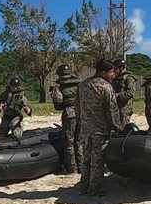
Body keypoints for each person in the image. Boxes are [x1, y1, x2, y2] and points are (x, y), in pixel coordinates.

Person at [76, 60, 119, 196]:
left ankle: (83, 187)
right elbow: (112, 111)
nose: (113, 75)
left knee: (86, 159)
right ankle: (94, 189)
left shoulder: (82, 85)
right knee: (97, 161)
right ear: (103, 72)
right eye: (111, 72)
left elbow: (77, 108)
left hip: (85, 129)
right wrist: (117, 127)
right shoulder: (106, 87)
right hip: (100, 130)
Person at [51, 64, 83, 174]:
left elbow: (58, 101)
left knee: (69, 141)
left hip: (69, 113)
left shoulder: (59, 86)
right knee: (79, 140)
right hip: (82, 112)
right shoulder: (79, 83)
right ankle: (82, 166)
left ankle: (72, 167)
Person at [111, 59, 138, 128]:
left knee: (123, 128)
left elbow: (130, 92)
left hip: (124, 110)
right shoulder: (115, 79)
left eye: (115, 69)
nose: (113, 71)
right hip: (115, 108)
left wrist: (118, 95)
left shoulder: (129, 78)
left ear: (121, 68)